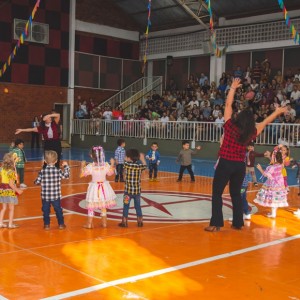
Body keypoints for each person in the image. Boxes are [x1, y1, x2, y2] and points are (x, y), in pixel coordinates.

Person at [205, 78, 287, 232]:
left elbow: (228, 105)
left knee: (217, 193)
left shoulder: (229, 126)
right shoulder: (251, 133)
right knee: (235, 194)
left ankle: (216, 224)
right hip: (239, 166)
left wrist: (233, 88)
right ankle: (238, 223)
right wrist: (276, 112)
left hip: (225, 163)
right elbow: (265, 122)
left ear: (239, 117)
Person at [80, 146, 116, 229]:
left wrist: (82, 166)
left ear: (92, 156)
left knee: (91, 206)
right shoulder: (106, 165)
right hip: (104, 187)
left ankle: (89, 224)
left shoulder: (91, 166)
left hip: (94, 188)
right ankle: (104, 223)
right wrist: (112, 164)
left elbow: (82, 175)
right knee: (103, 206)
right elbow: (110, 173)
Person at [34, 150, 70, 230]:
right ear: (56, 161)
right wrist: (66, 167)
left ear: (45, 161)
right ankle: (61, 224)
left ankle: (46, 225)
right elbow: (67, 176)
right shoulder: (58, 171)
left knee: (46, 211)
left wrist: (36, 180)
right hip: (56, 196)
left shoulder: (42, 171)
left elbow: (37, 182)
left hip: (45, 196)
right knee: (58, 210)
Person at [254, 150, 288, 218]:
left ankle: (273, 214)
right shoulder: (281, 164)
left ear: (274, 158)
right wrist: (269, 157)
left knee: (272, 198)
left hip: (273, 183)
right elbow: (274, 161)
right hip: (279, 183)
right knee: (276, 198)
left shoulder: (272, 167)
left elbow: (266, 175)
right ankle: (273, 213)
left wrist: (260, 169)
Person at [118, 149, 147, 228]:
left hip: (127, 192)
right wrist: (142, 158)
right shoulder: (139, 166)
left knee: (126, 206)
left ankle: (124, 222)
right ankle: (140, 221)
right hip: (137, 192)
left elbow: (124, 162)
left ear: (129, 158)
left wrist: (125, 158)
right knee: (138, 206)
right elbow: (144, 165)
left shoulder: (127, 165)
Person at [0, 153, 24, 228]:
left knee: (3, 208)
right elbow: (11, 184)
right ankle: (10, 224)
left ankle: (0, 223)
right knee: (11, 208)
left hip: (2, 190)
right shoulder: (12, 172)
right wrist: (17, 190)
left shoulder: (2, 169)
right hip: (9, 191)